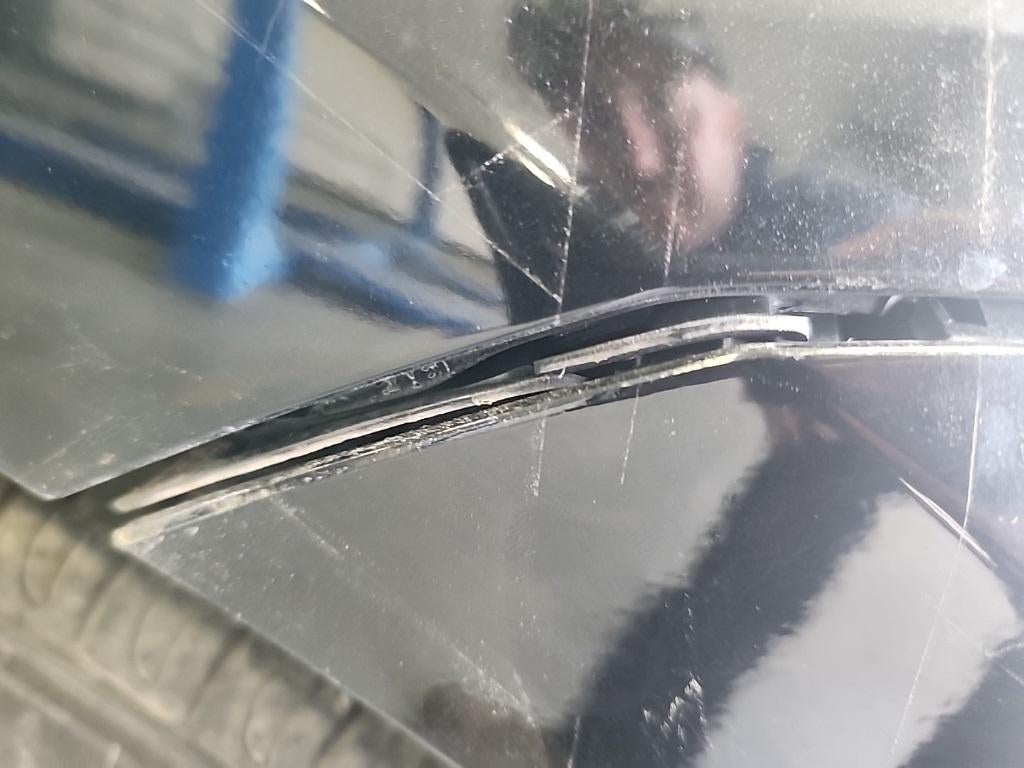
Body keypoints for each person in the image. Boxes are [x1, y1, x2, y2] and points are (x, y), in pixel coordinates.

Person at [447, 0, 905, 322]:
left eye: (667, 109)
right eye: (598, 123)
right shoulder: (563, 240)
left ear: (735, 117)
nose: (641, 162)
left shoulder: (848, 223)